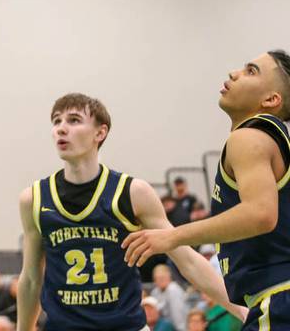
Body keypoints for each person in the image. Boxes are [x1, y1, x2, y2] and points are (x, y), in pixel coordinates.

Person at [16, 93, 244, 331]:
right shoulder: (34, 198)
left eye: (74, 120)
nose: (61, 128)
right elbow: (31, 278)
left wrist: (240, 309)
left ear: (100, 133)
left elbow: (187, 260)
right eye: (56, 121)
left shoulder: (133, 192)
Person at [123, 50, 290, 330]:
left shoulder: (249, 136)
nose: (234, 73)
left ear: (271, 99)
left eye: (251, 71)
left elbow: (261, 214)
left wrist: (172, 236)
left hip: (279, 297)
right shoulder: (275, 142)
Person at [150, 264, 189, 331]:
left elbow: (178, 314)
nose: (160, 280)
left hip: (178, 326)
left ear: (169, 277)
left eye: (162, 278)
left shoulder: (173, 289)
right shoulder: (155, 292)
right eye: (158, 278)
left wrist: (180, 329)